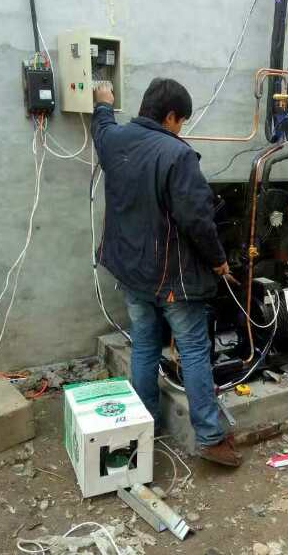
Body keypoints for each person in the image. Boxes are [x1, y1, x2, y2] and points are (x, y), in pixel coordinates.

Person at [91, 78, 242, 467]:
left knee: (144, 345)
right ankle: (210, 437)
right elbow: (198, 220)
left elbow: (101, 129)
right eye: (182, 121)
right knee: (193, 350)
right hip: (171, 278)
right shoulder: (178, 155)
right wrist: (218, 261)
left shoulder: (115, 140)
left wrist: (103, 103)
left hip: (131, 272)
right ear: (171, 116)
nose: (181, 129)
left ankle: (147, 425)